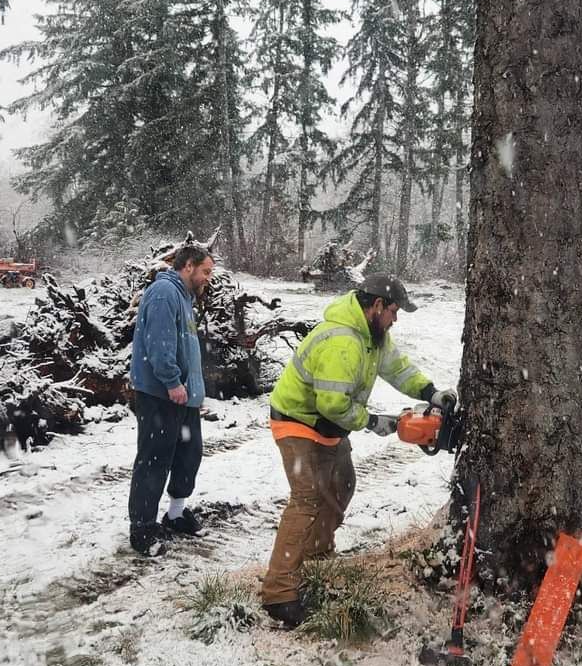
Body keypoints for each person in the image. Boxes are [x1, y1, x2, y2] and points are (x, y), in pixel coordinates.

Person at [261, 272, 457, 627]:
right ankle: (279, 594)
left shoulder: (373, 336)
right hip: (298, 421)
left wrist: (430, 393)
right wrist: (372, 422)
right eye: (394, 311)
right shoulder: (344, 341)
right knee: (306, 499)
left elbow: (397, 368)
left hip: (327, 425)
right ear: (377, 305)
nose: (395, 319)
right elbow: (333, 403)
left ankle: (317, 556)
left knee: (342, 484)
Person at [127, 244, 214, 556]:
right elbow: (159, 342)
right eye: (205, 271)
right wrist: (172, 381)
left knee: (188, 455)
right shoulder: (164, 292)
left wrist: (194, 391)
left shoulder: (184, 298)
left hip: (183, 396)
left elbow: (185, 348)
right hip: (161, 394)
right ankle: (142, 529)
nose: (208, 278)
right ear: (187, 266)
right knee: (154, 459)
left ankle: (175, 514)